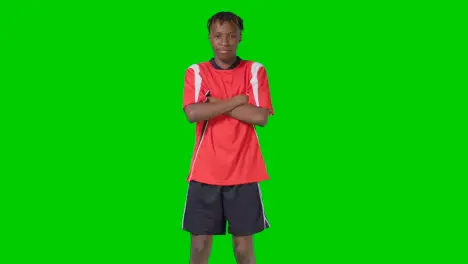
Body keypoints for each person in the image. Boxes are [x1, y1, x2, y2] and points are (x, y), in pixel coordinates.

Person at [181, 11, 274, 264]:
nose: (225, 41)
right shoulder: (197, 72)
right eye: (219, 36)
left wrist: (216, 103)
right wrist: (236, 101)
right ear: (210, 38)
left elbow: (260, 117)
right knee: (199, 246)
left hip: (244, 172)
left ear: (240, 37)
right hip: (205, 172)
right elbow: (193, 112)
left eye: (232, 36)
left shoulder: (254, 70)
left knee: (243, 249)